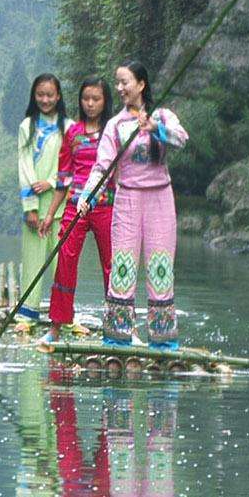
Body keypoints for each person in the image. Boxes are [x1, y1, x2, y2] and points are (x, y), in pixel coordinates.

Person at [76, 62, 188, 349]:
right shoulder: (115, 125)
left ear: (141, 84)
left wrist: (155, 128)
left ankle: (163, 341)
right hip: (127, 199)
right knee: (123, 266)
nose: (120, 88)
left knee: (160, 266)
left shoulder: (163, 114)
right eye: (118, 83)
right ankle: (117, 338)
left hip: (160, 198)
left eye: (125, 82)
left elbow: (182, 139)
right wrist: (85, 198)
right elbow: (101, 168)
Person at [39, 78, 114, 342]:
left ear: (105, 102)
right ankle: (56, 325)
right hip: (75, 205)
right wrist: (50, 214)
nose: (90, 104)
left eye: (96, 99)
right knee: (65, 261)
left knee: (112, 266)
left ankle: (119, 326)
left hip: (106, 205)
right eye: (86, 99)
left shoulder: (113, 132)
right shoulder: (73, 133)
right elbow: (63, 178)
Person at [14, 73, 66, 318]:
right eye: (40, 95)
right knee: (32, 262)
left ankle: (63, 315)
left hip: (61, 207)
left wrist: (51, 182)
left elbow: (72, 165)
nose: (45, 99)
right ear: (34, 97)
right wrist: (30, 207)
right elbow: (24, 168)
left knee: (62, 265)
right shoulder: (27, 127)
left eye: (50, 95)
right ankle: (28, 313)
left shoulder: (69, 127)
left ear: (58, 96)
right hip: (35, 209)